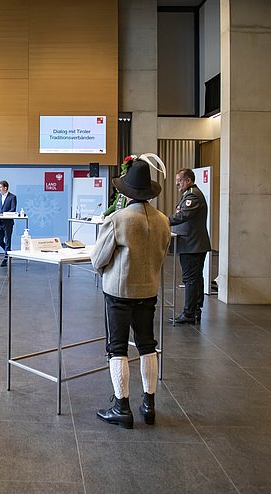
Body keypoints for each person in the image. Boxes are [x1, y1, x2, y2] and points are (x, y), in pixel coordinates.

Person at [91, 158, 172, 429]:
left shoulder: (118, 219)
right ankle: (149, 404)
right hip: (148, 289)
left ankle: (121, 406)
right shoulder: (162, 220)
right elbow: (162, 255)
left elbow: (98, 259)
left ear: (127, 192)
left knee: (117, 348)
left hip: (119, 291)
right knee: (147, 344)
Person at [169, 168, 211, 324]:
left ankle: (189, 313)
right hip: (193, 244)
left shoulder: (192, 195)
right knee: (195, 278)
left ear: (188, 180)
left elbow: (183, 215)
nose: (177, 183)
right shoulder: (190, 193)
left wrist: (162, 220)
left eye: (179, 180)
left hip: (192, 245)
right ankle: (195, 311)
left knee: (190, 279)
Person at [0, 180, 17, 267]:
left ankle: (6, 259)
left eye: (0, 187)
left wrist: (4, 214)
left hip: (8, 222)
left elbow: (13, 209)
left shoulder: (12, 197)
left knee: (7, 241)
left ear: (5, 188)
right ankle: (9, 252)